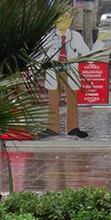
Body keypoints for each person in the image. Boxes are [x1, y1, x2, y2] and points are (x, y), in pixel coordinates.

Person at [42, 10, 99, 139]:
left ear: (71, 19)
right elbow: (40, 54)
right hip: (54, 71)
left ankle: (73, 128)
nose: (63, 21)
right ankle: (51, 128)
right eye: (60, 18)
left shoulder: (75, 36)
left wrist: (98, 46)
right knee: (53, 100)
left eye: (66, 17)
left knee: (72, 100)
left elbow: (86, 54)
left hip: (70, 71)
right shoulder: (48, 37)